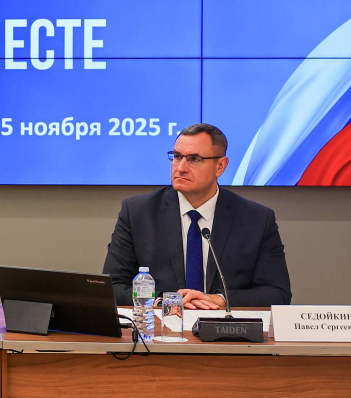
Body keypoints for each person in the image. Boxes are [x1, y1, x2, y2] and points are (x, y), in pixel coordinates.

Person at [102, 123, 292, 309]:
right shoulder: (138, 213)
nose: (181, 168)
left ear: (220, 166)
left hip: (225, 328)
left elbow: (277, 293)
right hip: (162, 325)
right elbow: (113, 286)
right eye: (177, 157)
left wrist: (220, 299)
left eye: (194, 159)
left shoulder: (256, 219)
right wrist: (165, 301)